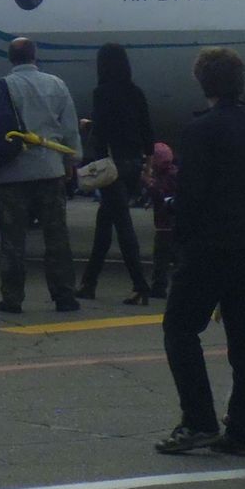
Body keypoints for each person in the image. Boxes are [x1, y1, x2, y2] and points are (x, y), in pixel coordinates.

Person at [156, 47, 245, 456]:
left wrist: (181, 240)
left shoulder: (199, 131)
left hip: (210, 246)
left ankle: (198, 419)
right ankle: (243, 426)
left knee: (180, 328)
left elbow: (191, 196)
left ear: (203, 83)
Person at [0, 38, 81, 315]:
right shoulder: (56, 84)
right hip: (50, 168)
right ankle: (64, 295)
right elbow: (70, 126)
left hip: (14, 172)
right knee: (57, 236)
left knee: (13, 238)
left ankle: (12, 298)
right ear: (35, 56)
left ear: (10, 59)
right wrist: (71, 159)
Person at [78, 42, 154, 305]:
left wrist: (88, 127)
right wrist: (147, 163)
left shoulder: (102, 93)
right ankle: (89, 282)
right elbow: (147, 130)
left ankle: (140, 284)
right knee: (105, 223)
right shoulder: (136, 92)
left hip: (112, 166)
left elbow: (102, 130)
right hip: (133, 164)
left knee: (122, 225)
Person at [144, 141, 177, 297]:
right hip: (176, 224)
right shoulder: (176, 174)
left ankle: (158, 287)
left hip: (164, 225)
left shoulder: (160, 179)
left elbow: (158, 195)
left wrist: (149, 186)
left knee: (161, 259)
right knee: (177, 257)